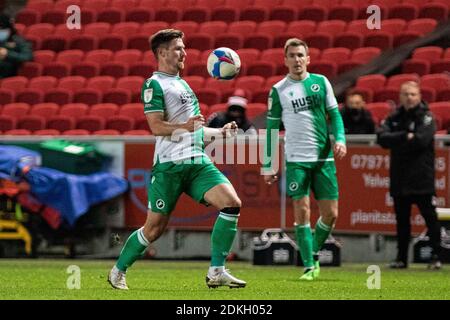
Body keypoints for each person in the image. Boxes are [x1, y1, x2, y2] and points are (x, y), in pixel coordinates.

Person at [108, 29, 246, 290]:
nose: (185, 52)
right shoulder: (154, 84)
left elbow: (194, 129)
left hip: (197, 162)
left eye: (184, 47)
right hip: (169, 166)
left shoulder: (183, 84)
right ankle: (118, 270)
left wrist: (220, 132)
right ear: (162, 53)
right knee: (154, 229)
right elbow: (157, 127)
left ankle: (216, 271)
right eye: (178, 48)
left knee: (231, 203)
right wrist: (185, 125)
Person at [262, 38, 347, 281]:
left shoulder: (321, 82)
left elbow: (334, 115)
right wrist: (269, 164)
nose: (297, 60)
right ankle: (309, 265)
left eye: (301, 55)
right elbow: (270, 130)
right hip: (296, 159)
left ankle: (314, 251)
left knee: (331, 214)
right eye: (292, 55)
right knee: (302, 209)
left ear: (308, 59)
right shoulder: (278, 90)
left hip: (323, 158)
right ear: (285, 59)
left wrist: (340, 139)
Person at [377, 81, 441, 270]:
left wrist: (397, 140)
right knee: (402, 221)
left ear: (419, 96)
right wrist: (405, 136)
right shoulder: (394, 117)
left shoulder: (427, 117)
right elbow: (381, 138)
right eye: (405, 94)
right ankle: (401, 258)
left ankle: (436, 256)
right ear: (400, 96)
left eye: (412, 94)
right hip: (400, 177)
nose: (409, 97)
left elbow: (422, 140)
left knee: (430, 218)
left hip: (422, 177)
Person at [0, 13, 32, 79]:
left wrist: (7, 53)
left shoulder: (18, 41)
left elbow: (27, 56)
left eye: (1, 29)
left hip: (8, 75)